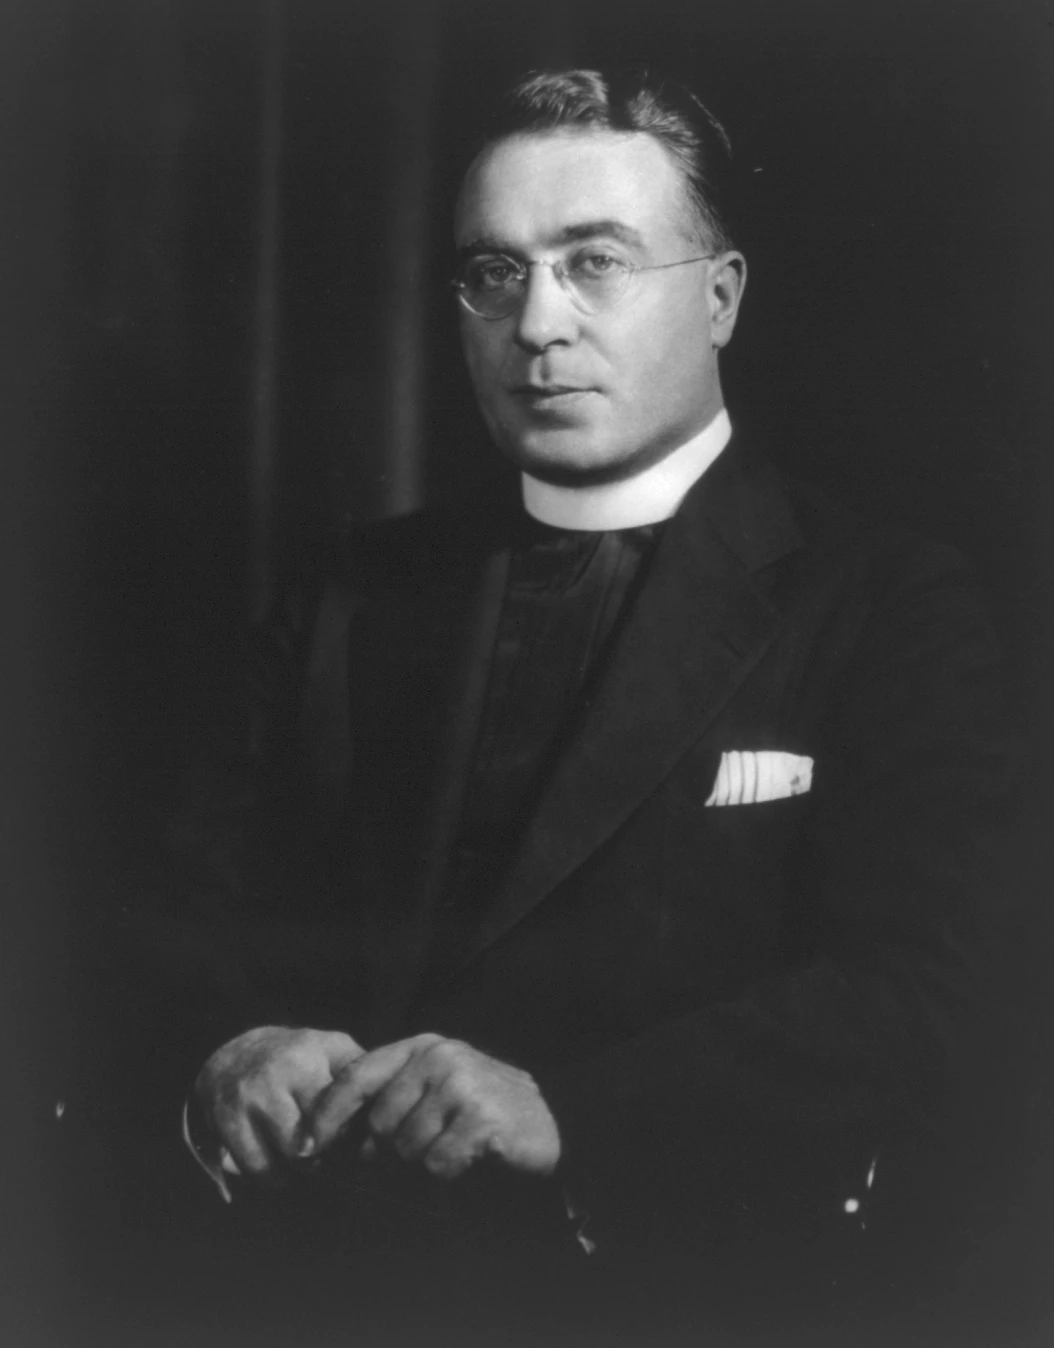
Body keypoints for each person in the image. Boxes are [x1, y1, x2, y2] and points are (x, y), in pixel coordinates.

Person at [170, 67, 1012, 1340]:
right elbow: (163, 911)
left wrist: (572, 1111)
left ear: (720, 296)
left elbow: (931, 985)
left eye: (595, 263)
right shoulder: (352, 590)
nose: (536, 323)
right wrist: (222, 1048)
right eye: (493, 273)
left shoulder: (883, 602)